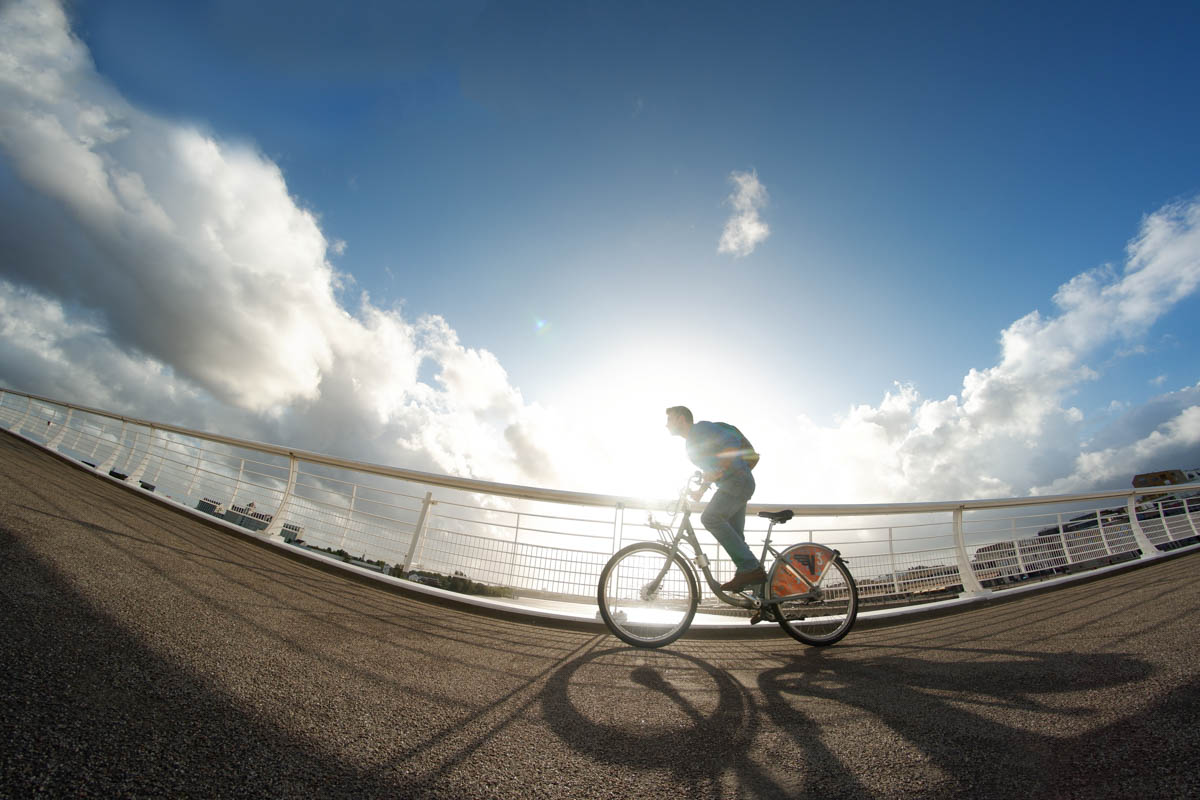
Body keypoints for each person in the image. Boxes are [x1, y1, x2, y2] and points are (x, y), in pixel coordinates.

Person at [665, 406, 763, 592]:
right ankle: (761, 597)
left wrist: (722, 469)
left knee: (710, 518)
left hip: (737, 481)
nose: (666, 424)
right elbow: (710, 470)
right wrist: (700, 491)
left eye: (669, 419)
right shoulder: (690, 445)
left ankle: (751, 569)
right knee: (737, 538)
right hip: (734, 485)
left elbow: (731, 442)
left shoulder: (700, 429)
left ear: (680, 418)